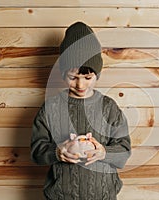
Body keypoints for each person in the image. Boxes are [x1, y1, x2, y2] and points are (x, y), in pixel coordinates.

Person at [30, 21, 131, 200]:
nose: (80, 84)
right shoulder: (51, 108)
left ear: (96, 74)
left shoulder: (109, 107)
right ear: (62, 73)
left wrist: (104, 153)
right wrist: (56, 152)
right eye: (73, 77)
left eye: (87, 77)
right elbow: (37, 152)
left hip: (103, 194)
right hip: (61, 195)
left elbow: (124, 148)